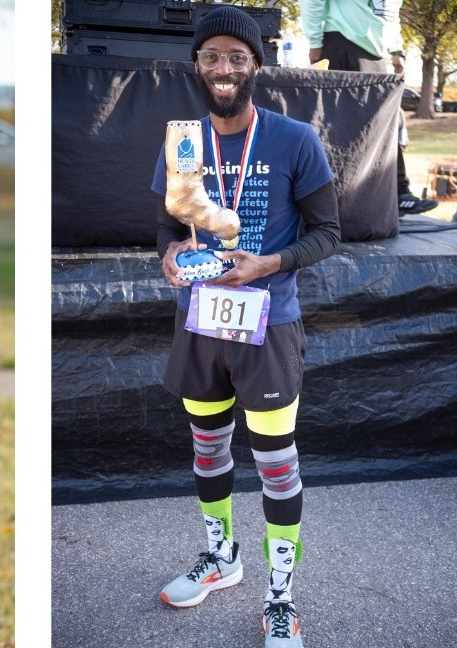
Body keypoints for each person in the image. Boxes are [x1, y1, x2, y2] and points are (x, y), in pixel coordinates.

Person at [151, 7, 340, 648]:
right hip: (200, 319)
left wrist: (269, 263)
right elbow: (167, 227)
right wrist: (170, 256)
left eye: (237, 56)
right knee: (208, 447)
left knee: (274, 462)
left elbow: (328, 232)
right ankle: (222, 558)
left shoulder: (293, 139)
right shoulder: (183, 141)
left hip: (268, 322)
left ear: (255, 64)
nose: (224, 69)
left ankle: (280, 597)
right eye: (212, 57)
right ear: (197, 67)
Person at [302, 0, 437, 215]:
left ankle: (397, 194)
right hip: (343, 45)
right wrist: (315, 41)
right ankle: (328, 205)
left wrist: (396, 49)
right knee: (338, 130)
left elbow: (389, 13)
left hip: (376, 54)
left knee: (386, 125)